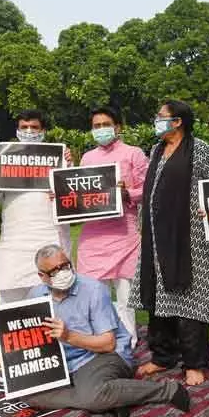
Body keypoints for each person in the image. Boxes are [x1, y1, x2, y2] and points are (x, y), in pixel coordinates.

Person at [22, 245, 191, 417]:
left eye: (65, 265)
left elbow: (108, 344)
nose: (63, 273)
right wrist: (13, 358)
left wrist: (68, 336)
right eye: (54, 271)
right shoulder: (35, 296)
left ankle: (167, 390)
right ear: (42, 276)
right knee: (28, 396)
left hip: (102, 356)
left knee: (92, 396)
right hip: (63, 363)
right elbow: (32, 336)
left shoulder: (93, 289)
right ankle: (114, 399)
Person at [129, 100, 209, 386]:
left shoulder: (200, 150)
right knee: (159, 299)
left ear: (178, 121)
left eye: (161, 117)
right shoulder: (156, 150)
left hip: (190, 240)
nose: (156, 121)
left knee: (190, 300)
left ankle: (194, 362)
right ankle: (162, 356)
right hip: (157, 240)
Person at [75, 106, 149, 345]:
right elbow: (79, 192)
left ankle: (128, 340)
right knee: (94, 293)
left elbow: (148, 187)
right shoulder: (87, 158)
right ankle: (101, 339)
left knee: (125, 294)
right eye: (96, 126)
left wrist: (127, 193)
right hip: (94, 232)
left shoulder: (133, 153)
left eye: (105, 124)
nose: (101, 130)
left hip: (124, 231)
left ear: (118, 127)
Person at [0, 110, 72, 306]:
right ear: (17, 131)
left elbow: (72, 198)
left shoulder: (59, 158)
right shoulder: (5, 157)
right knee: (12, 296)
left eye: (34, 127)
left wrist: (66, 169)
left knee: (56, 294)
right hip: (14, 239)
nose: (29, 131)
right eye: (24, 127)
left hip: (49, 234)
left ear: (43, 130)